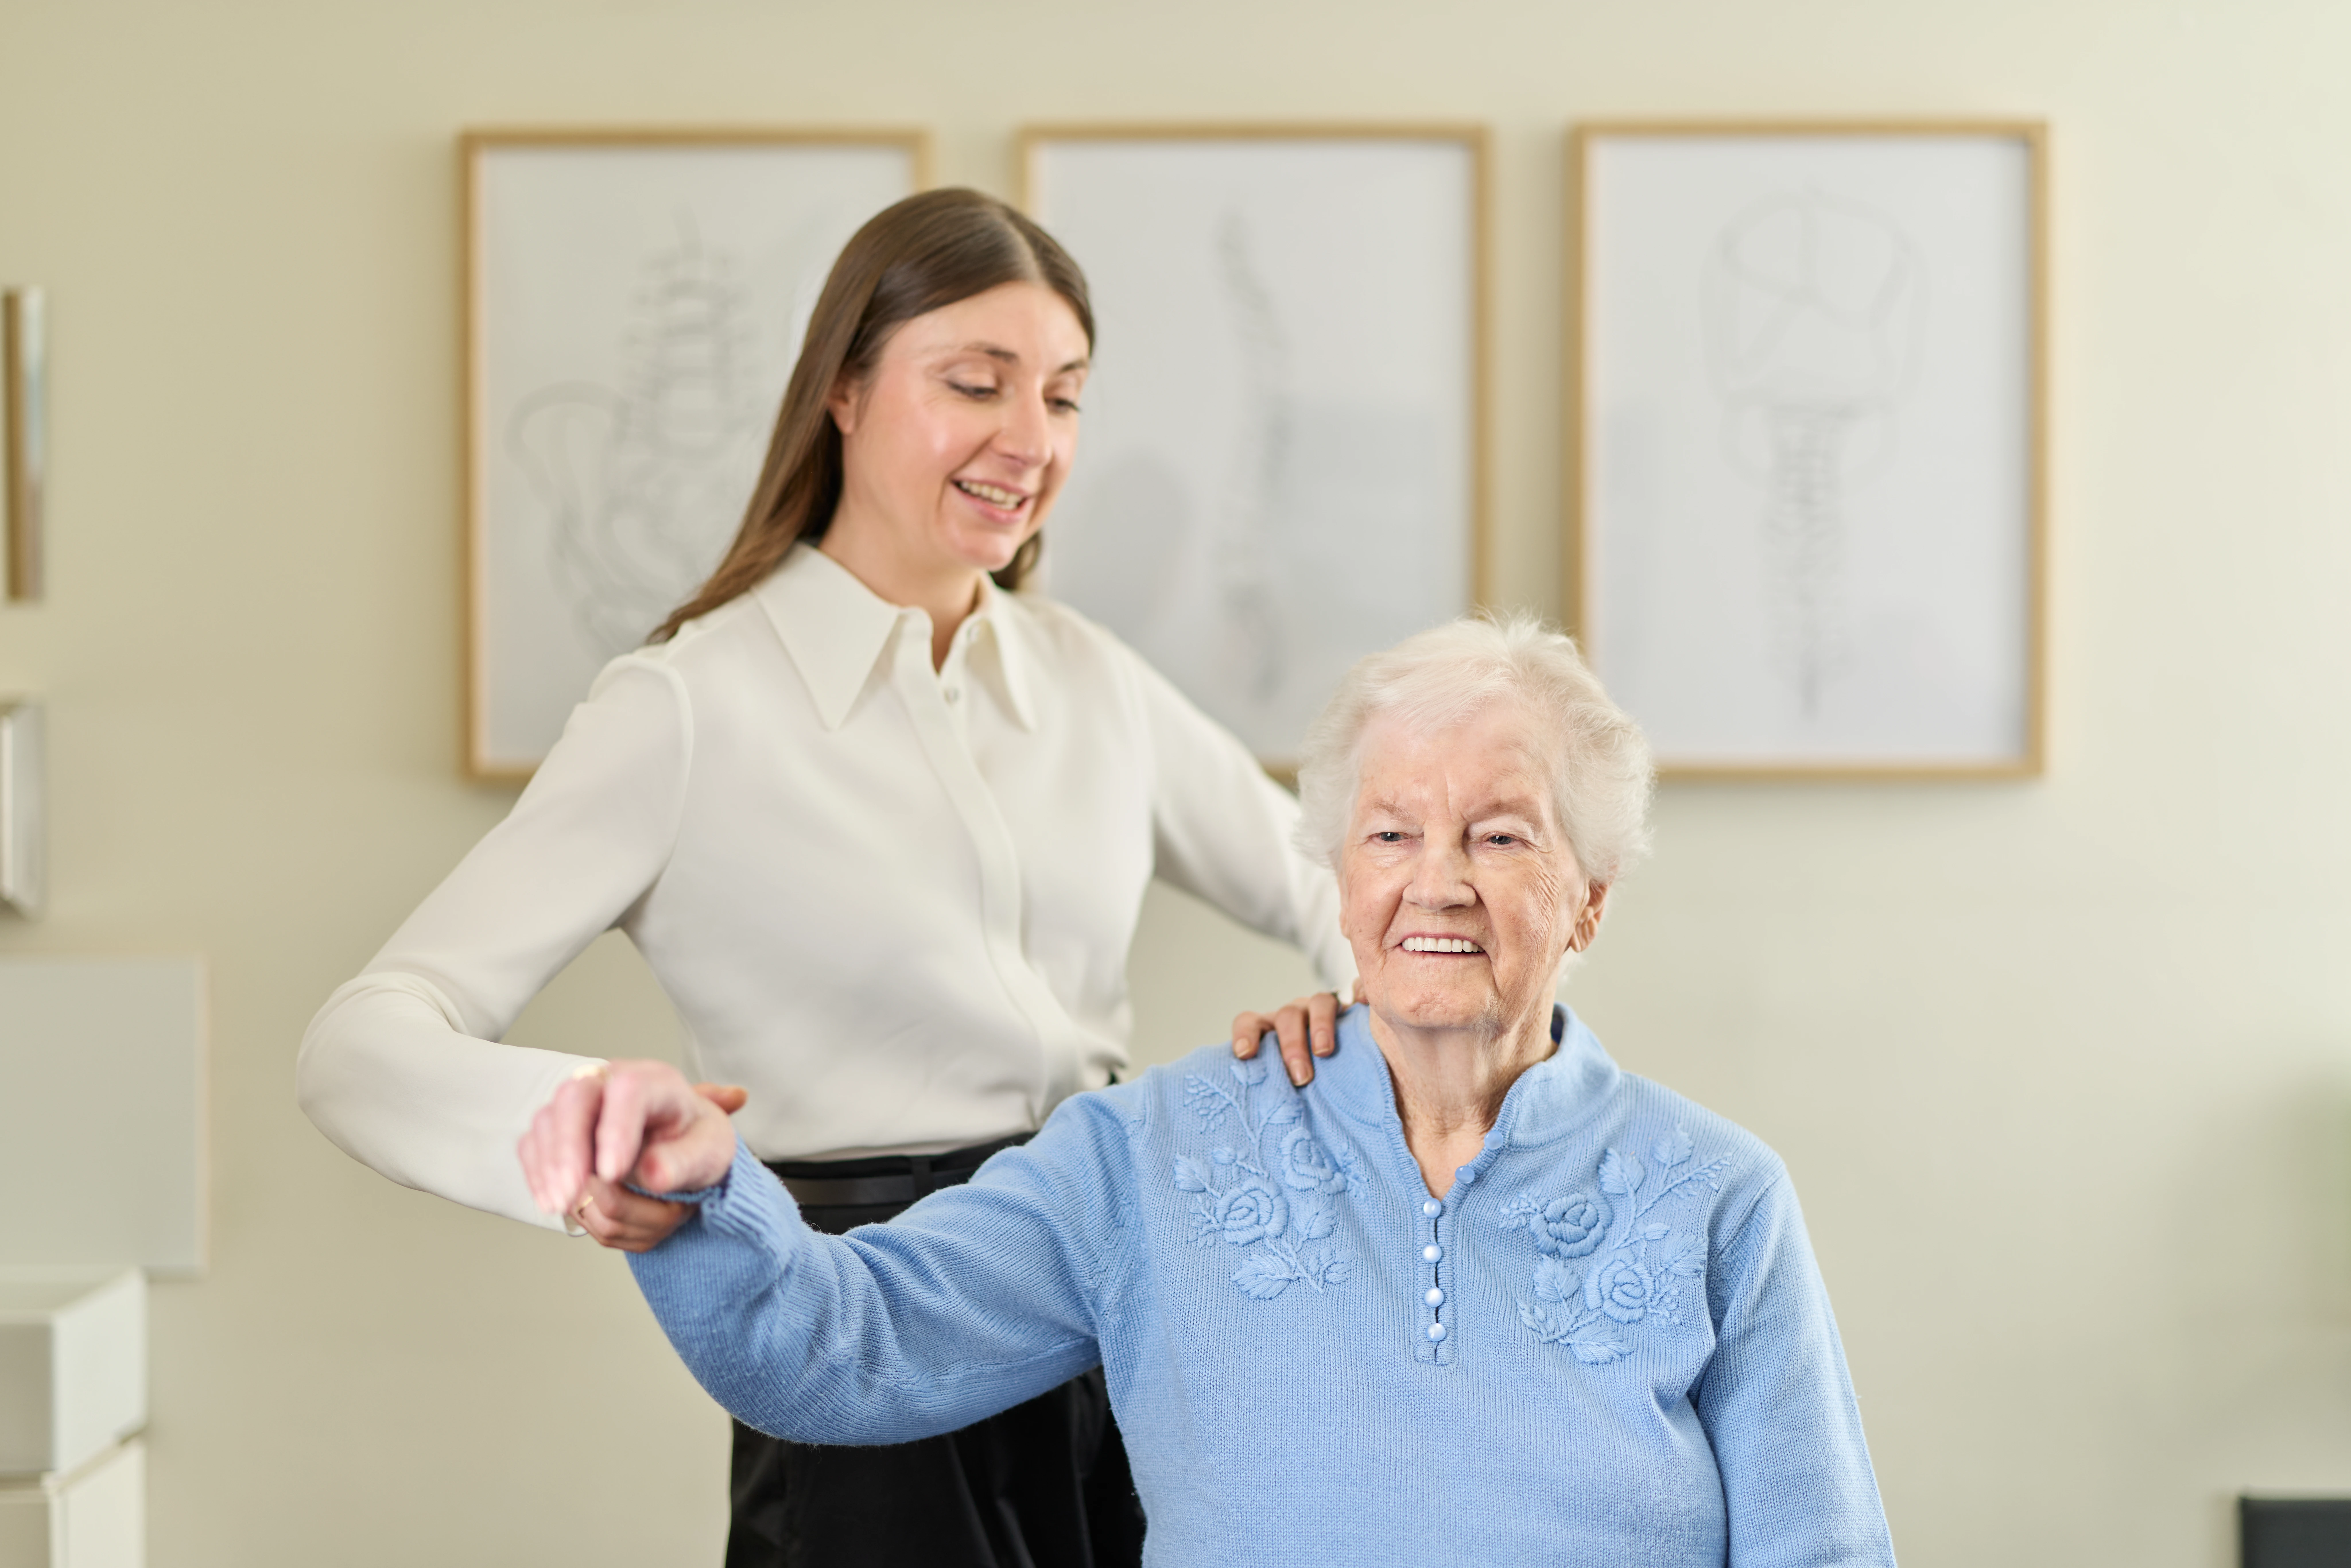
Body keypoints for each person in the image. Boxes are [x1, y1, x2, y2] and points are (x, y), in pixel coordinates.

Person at [298, 188, 1354, 1568]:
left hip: (1116, 1322)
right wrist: (575, 1136)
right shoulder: (684, 708)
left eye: (1065, 396)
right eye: (974, 383)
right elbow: (355, 1043)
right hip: (854, 1343)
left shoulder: (1092, 683)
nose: (1028, 440)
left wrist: (1356, 1040)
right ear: (844, 391)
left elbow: (1345, 893)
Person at [525, 614, 1900, 1567]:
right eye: (1388, 831)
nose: (1437, 877)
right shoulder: (1158, 1152)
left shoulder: (1717, 1197)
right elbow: (846, 1348)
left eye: (1498, 834)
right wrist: (697, 1189)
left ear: (1585, 902)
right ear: (1340, 879)